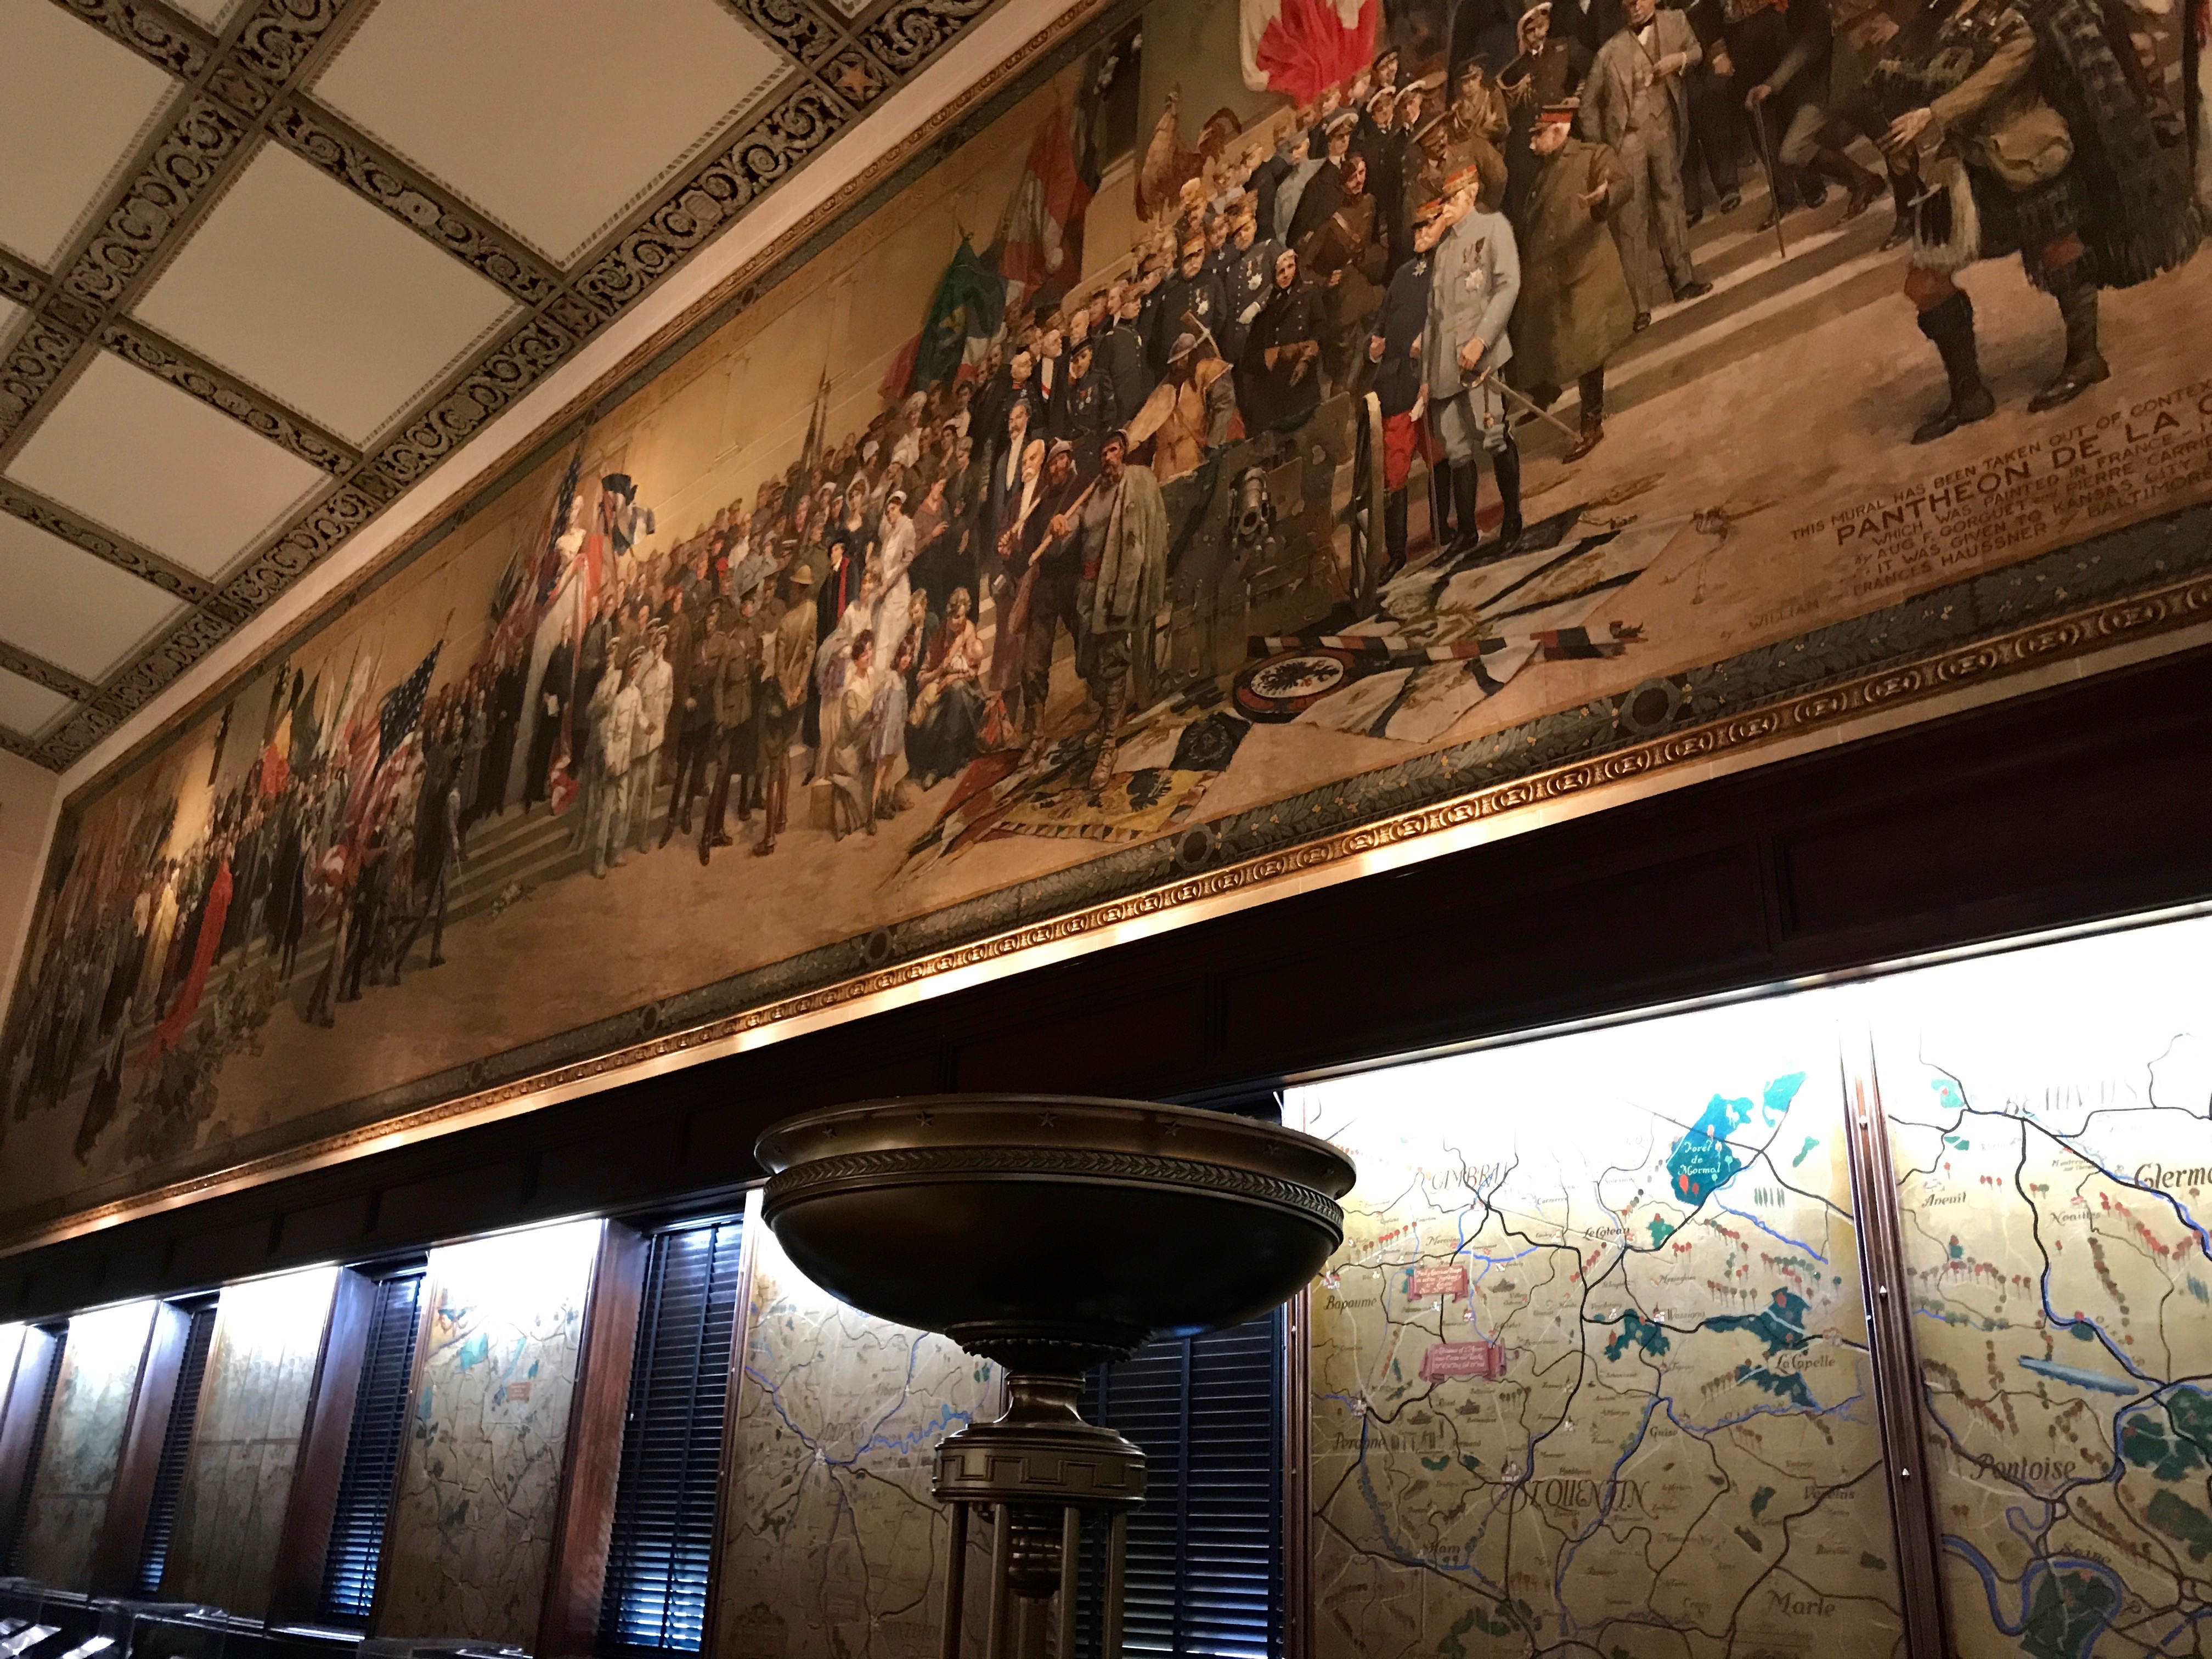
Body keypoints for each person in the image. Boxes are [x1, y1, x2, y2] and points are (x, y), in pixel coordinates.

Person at [1868, 0, 2198, 440]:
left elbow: (2009, 64)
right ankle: (1969, 396)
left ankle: (2085, 359)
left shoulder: (2017, 15)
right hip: (1964, 171)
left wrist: (1935, 113)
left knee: (2058, 249)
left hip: (2027, 158)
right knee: (1925, 282)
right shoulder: (1939, 21)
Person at [1510, 105, 1639, 461]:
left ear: (1559, 131)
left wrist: (1605, 197)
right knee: (1551, 347)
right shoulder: (1542, 173)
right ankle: (1547, 396)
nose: (1532, 145)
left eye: (1538, 136)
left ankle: (1591, 424)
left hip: (1585, 272)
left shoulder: (1592, 156)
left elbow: (1623, 182)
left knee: (1587, 353)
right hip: (1552, 278)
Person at [1582, 0, 1717, 327]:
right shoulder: (1609, 52)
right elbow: (1587, 107)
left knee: (1672, 201)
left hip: (1664, 128)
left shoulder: (1675, 21)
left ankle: (1683, 281)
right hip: (1627, 142)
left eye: (1639, 1)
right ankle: (1640, 306)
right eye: (1627, 4)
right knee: (1631, 218)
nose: (1634, 9)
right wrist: (1604, 151)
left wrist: (1678, 60)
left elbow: (1697, 51)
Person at [1425, 149, 1525, 552]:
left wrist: (1482, 339)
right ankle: (1467, 532)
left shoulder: (1493, 228)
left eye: (1451, 198)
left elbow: (1508, 286)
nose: (1445, 207)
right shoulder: (1442, 250)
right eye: (1443, 200)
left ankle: (1513, 516)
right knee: (1456, 448)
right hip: (1446, 367)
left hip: (1481, 357)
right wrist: (1427, 377)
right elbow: (1434, 317)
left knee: (1494, 435)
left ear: (1471, 192)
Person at [1077, 432, 1170, 789]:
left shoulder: (1134, 485)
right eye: (1104, 452)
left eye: (1113, 450)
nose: (1108, 457)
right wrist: (1062, 527)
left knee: (1112, 662)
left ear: (1124, 453)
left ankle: (1109, 745)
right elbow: (1078, 533)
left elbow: (1145, 535)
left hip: (1116, 585)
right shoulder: (1094, 495)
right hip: (1089, 590)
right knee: (1088, 663)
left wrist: (1132, 585)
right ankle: (1107, 719)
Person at [1743, 0, 1887, 218]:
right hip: (1821, 92)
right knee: (1791, 152)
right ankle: (1862, 180)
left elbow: (1807, 47)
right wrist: (1767, 86)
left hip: (1851, 81)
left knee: (1889, 139)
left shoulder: (1810, 6)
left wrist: (1772, 84)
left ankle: (1909, 198)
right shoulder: (1779, 14)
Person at [1369, 199, 1447, 577]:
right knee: (1395, 470)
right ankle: (1397, 552)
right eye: (1417, 229)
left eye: (1427, 227)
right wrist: (1373, 345)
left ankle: (1443, 528)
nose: (1420, 234)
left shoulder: (1445, 268)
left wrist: (1425, 343)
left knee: (1440, 454)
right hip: (1396, 386)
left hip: (1429, 379)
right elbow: (1381, 322)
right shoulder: (1402, 275)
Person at [754, 568, 815, 856]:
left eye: (792, 588)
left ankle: (768, 836)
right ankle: (783, 816)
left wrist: (788, 691)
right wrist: (799, 687)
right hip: (799, 698)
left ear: (796, 589)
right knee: (787, 753)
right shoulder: (812, 612)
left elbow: (779, 668)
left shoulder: (786, 624)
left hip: (783, 702)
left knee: (773, 766)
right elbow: (810, 653)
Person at [907, 587, 989, 787]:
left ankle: (942, 766)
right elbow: (923, 675)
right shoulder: (938, 636)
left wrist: (953, 677)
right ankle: (928, 763)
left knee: (957, 690)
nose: (959, 622)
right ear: (949, 615)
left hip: (967, 693)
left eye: (962, 616)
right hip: (940, 690)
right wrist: (939, 672)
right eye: (956, 617)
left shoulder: (968, 631)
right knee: (929, 717)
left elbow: (973, 670)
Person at [1239, 247, 1324, 430]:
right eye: (1280, 272)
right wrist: (1277, 354)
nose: (1287, 275)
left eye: (1290, 267)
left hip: (1303, 382)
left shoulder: (1310, 293)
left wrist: (1306, 358)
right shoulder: (1266, 308)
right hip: (1274, 390)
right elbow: (1249, 358)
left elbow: (1320, 330)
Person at [1139, 332, 1243, 480]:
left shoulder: (1209, 370)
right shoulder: (1171, 384)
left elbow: (1223, 406)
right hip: (1172, 463)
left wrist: (1214, 446)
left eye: (1182, 359)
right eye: (1176, 361)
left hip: (1205, 454)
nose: (1178, 365)